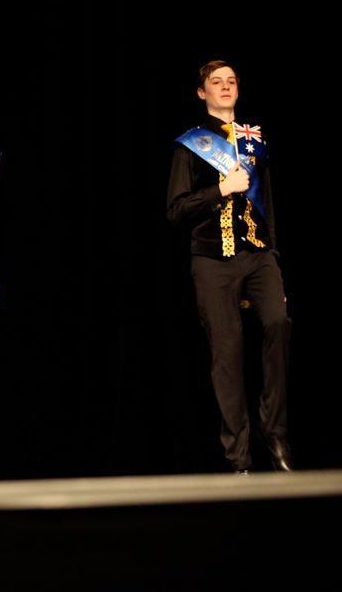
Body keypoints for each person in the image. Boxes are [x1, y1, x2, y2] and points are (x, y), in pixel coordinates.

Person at [167, 60, 292, 474]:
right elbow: (176, 209)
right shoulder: (191, 144)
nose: (225, 87)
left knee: (278, 323)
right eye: (216, 82)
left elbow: (267, 204)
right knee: (228, 353)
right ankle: (239, 458)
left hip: (258, 254)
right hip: (212, 260)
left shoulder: (255, 139)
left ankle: (274, 434)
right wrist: (220, 190)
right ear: (201, 92)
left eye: (231, 81)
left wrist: (274, 258)